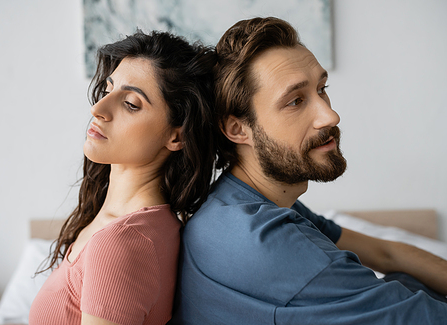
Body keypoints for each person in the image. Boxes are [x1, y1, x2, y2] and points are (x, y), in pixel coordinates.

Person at [170, 17, 447, 324]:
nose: (331, 115)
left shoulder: (240, 203)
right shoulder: (266, 241)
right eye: (295, 101)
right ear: (238, 129)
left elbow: (386, 253)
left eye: (322, 88)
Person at [29, 30, 216, 325]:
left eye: (131, 103)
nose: (98, 108)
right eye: (108, 89)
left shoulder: (122, 242)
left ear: (176, 135)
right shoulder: (139, 224)